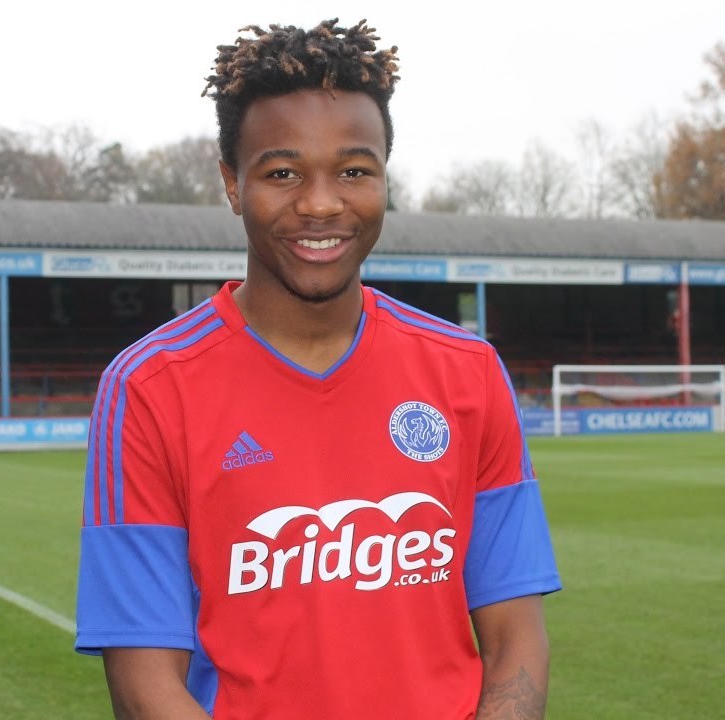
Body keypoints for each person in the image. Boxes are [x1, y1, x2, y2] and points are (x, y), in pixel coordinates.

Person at [75, 19, 561, 719]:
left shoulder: (468, 371)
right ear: (231, 184)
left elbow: (518, 638)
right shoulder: (150, 388)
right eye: (282, 172)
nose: (322, 204)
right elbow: (144, 685)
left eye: (354, 171)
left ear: (385, 177)